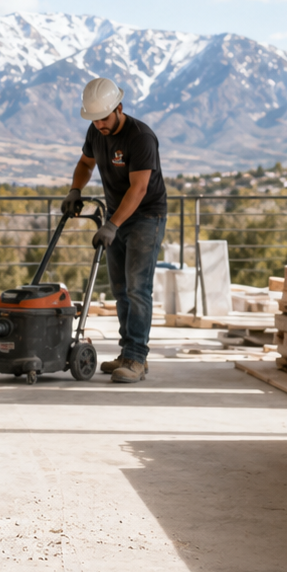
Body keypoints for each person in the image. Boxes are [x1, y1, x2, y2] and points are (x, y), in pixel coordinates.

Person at [61, 77, 168, 384]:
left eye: (104, 119)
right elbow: (85, 163)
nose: (99, 126)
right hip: (117, 217)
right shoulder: (96, 131)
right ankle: (127, 353)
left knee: (137, 289)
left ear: (119, 108)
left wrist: (112, 225)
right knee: (120, 290)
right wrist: (75, 191)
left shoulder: (140, 137)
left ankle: (137, 358)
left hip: (146, 216)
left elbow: (139, 189)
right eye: (94, 120)